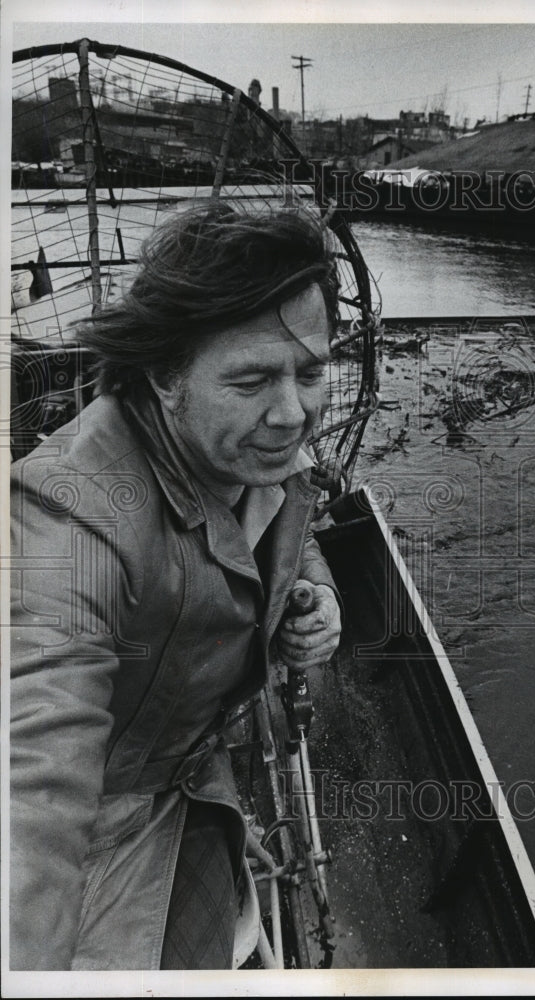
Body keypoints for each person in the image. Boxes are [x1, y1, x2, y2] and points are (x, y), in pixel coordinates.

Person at [9, 204, 343, 970]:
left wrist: (319, 596)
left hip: (197, 784)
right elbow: (33, 790)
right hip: (107, 846)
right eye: (254, 378)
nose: (293, 415)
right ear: (163, 376)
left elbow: (295, 529)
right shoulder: (67, 520)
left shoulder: (250, 449)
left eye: (312, 372)